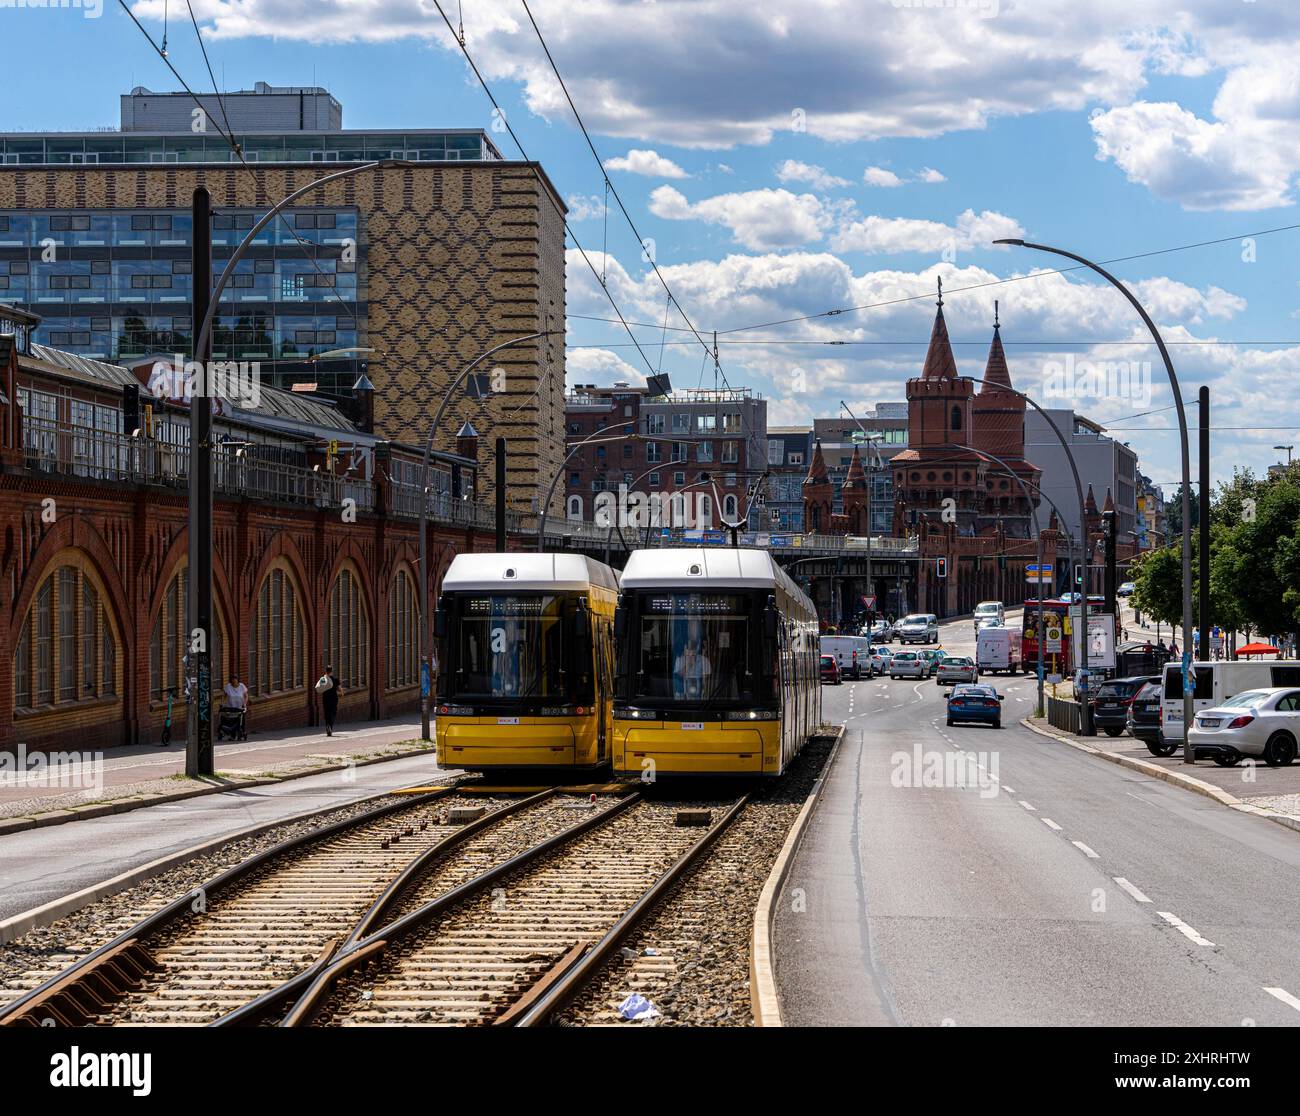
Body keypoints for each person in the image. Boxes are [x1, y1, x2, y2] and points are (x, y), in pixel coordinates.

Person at [316, 665, 342, 736]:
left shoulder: (323, 679)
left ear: (326, 671)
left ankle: (327, 726)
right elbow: (340, 690)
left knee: (327, 714)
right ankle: (330, 726)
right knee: (333, 713)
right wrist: (340, 693)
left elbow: (319, 688)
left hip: (325, 699)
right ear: (332, 671)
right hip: (333, 699)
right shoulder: (335, 679)